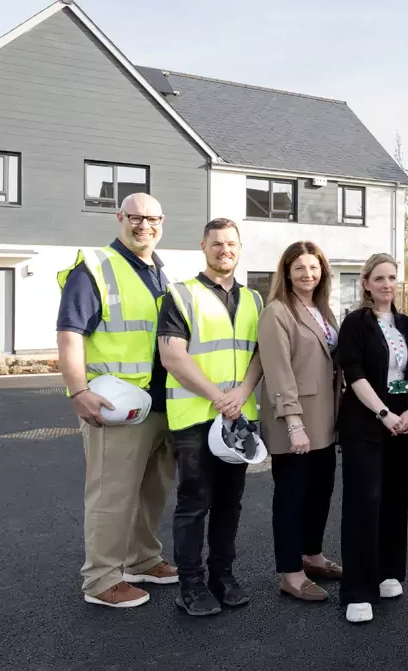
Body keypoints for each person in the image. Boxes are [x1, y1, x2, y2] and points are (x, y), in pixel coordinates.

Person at [56, 192, 178, 609]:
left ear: (162, 222)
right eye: (136, 217)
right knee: (112, 494)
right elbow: (70, 333)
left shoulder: (159, 272)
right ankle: (101, 579)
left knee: (151, 491)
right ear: (119, 217)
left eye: (152, 219)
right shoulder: (95, 268)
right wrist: (78, 391)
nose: (145, 225)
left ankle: (141, 559)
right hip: (116, 407)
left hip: (158, 403)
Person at [157, 218, 265, 616]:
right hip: (194, 417)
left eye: (231, 243)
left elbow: (260, 354)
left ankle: (223, 576)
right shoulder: (180, 294)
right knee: (194, 502)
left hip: (238, 418)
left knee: (229, 504)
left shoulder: (254, 300)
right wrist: (219, 397)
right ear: (203, 246)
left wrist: (242, 393)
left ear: (239, 248)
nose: (225, 250)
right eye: (217, 243)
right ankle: (191, 585)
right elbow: (172, 356)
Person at [336, 253, 408, 623]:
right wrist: (383, 413)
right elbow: (353, 373)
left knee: (394, 500)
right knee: (363, 503)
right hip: (365, 425)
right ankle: (357, 589)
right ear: (366, 283)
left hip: (402, 425)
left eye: (392, 278)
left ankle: (388, 572)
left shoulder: (407, 325)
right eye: (379, 278)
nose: (387, 284)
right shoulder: (355, 323)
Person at [259, 240, 343, 602]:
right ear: (287, 273)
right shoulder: (277, 311)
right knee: (292, 498)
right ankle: (291, 573)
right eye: (299, 268)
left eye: (313, 267)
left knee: (320, 492)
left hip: (325, 420)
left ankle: (312, 556)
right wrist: (294, 424)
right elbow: (278, 372)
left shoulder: (323, 310)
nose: (308, 274)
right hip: (295, 421)